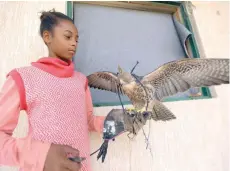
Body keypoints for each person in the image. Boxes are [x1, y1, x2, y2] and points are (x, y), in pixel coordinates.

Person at [0, 9, 105, 171]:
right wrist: (40, 155)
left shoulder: (80, 80)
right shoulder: (23, 78)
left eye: (77, 39)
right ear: (47, 37)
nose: (74, 43)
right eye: (68, 37)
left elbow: (87, 120)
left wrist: (113, 123)